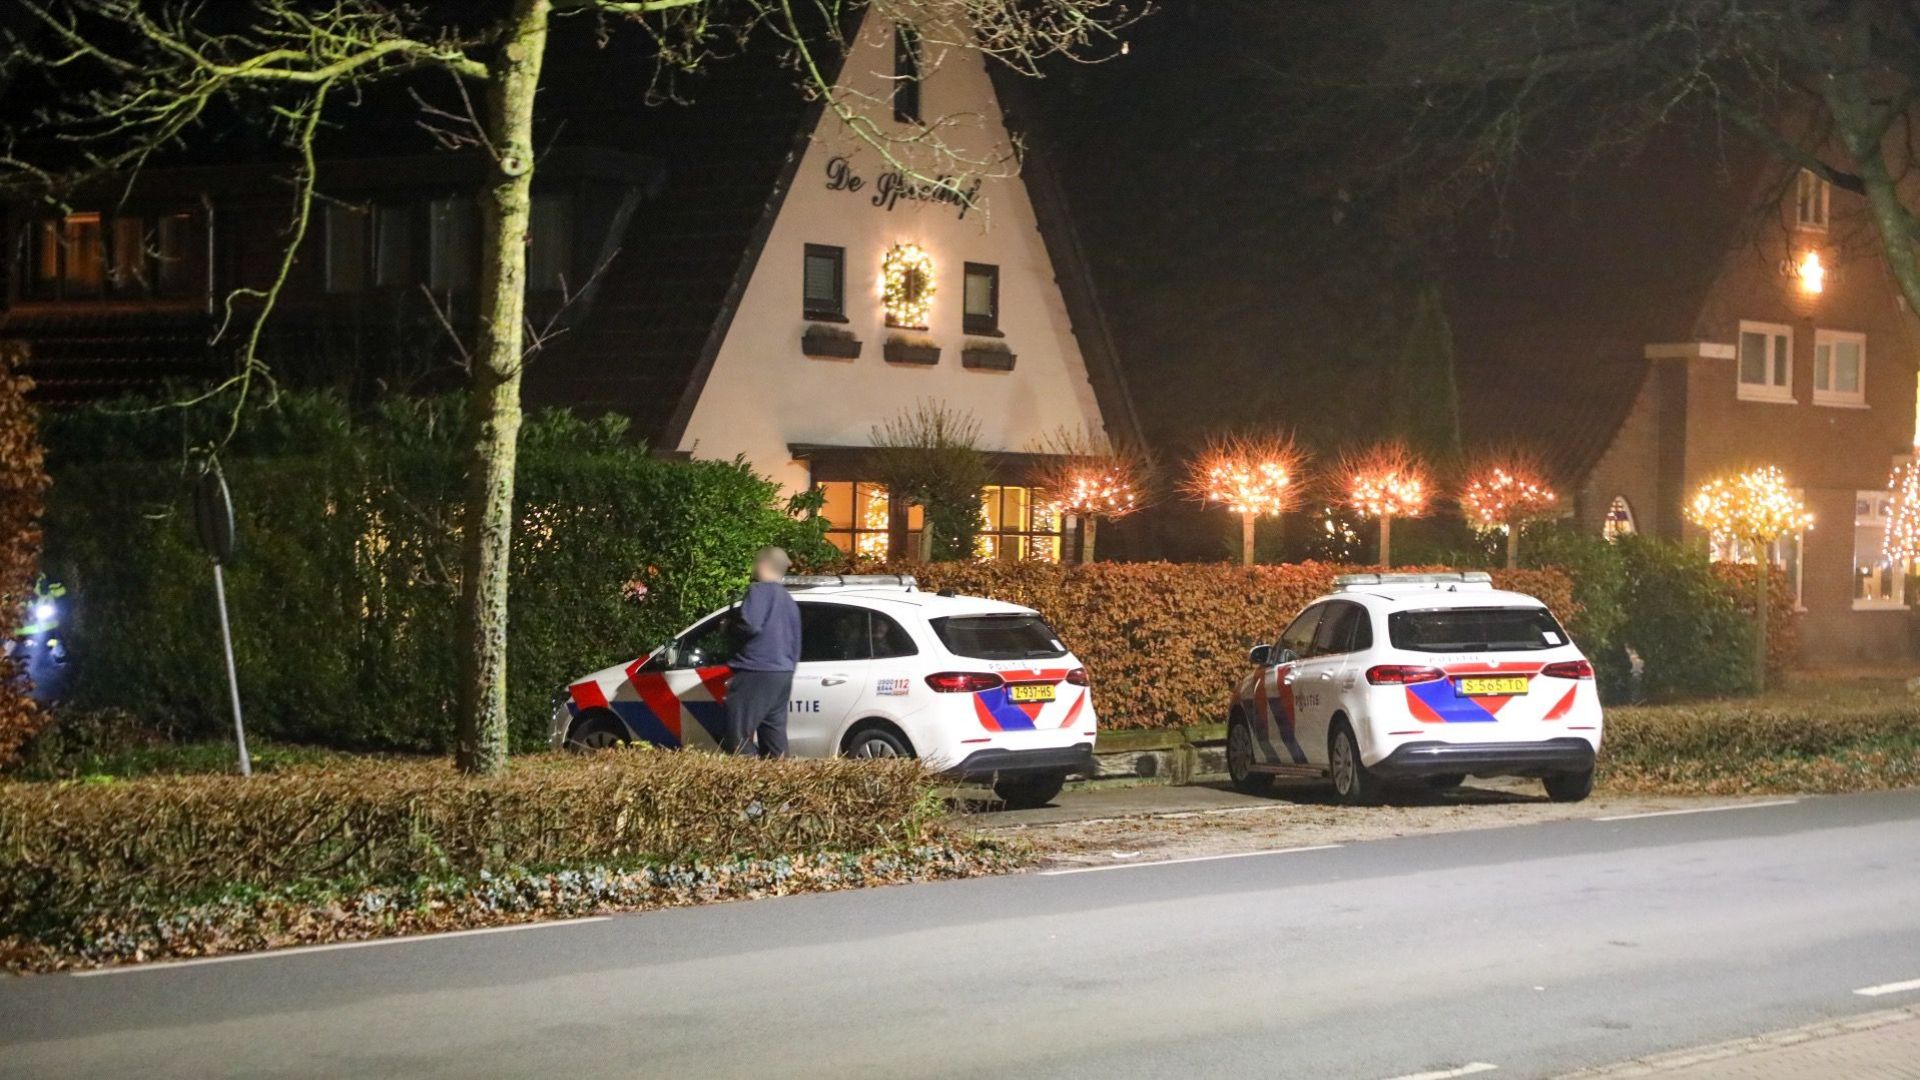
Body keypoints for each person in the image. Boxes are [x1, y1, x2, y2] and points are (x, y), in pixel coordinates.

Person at [723, 546, 801, 757]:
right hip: (783, 674)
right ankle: (778, 774)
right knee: (774, 737)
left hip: (756, 670)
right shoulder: (788, 600)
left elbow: (751, 624)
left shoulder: (758, 591)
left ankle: (749, 774)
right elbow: (795, 642)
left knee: (736, 737)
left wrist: (729, 627)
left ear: (764, 565)